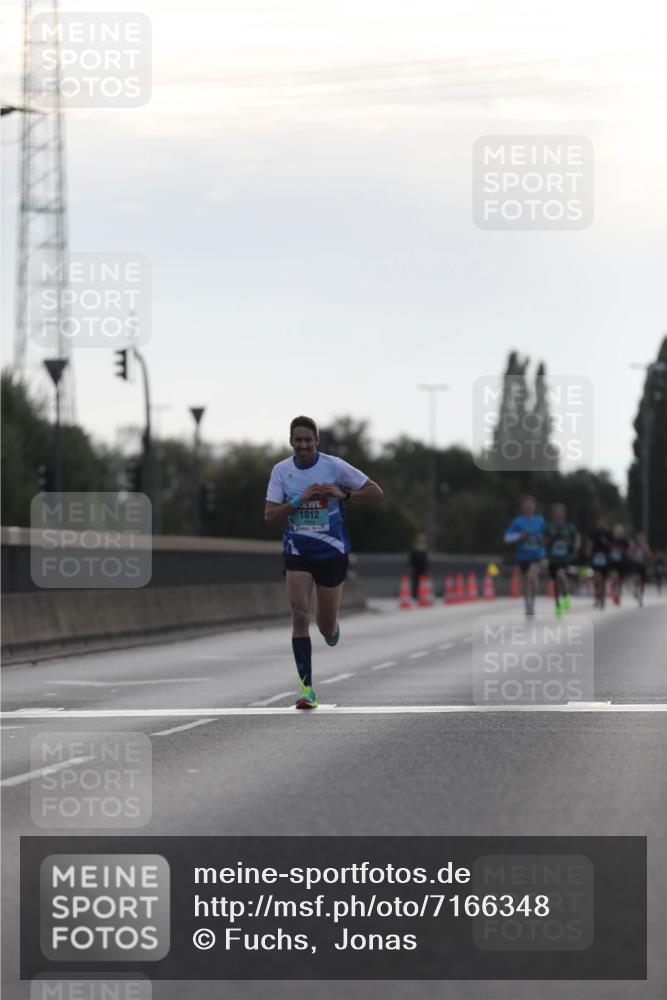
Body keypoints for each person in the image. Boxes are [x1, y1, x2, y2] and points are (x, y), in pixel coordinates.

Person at [264, 416, 383, 709]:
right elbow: (270, 515)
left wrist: (344, 494)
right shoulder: (281, 471)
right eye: (298, 440)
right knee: (299, 615)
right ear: (290, 442)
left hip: (331, 552)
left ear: (317, 441)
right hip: (298, 551)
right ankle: (308, 690)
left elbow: (375, 491)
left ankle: (332, 628)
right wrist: (298, 501)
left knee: (325, 627)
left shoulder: (334, 466)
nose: (303, 445)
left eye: (308, 440)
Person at [504, 495, 545, 616]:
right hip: (523, 557)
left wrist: (541, 538)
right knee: (526, 581)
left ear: (534, 507)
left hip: (536, 555)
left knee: (532, 577)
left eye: (531, 505)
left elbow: (547, 536)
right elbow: (507, 538)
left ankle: (532, 601)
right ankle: (528, 604)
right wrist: (520, 535)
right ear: (523, 507)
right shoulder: (518, 521)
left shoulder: (540, 521)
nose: (529, 508)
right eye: (526, 506)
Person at [544, 503, 580, 617]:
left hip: (564, 558)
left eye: (561, 513)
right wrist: (551, 537)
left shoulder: (569, 527)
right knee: (555, 582)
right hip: (552, 559)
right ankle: (557, 603)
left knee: (561, 574)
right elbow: (543, 542)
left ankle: (565, 597)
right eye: (556, 513)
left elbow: (577, 536)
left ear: (564, 514)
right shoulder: (548, 527)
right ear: (553, 514)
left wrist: (576, 546)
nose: (559, 515)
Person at [588, 518, 612, 609]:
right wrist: (589, 552)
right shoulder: (594, 533)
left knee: (603, 578)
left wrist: (606, 542)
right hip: (596, 556)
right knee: (597, 577)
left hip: (605, 557)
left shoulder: (608, 533)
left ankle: (602, 597)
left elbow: (612, 545)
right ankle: (597, 595)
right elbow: (590, 543)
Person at [608, 524, 630, 606]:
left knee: (620, 580)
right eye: (617, 531)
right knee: (614, 578)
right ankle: (614, 594)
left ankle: (618, 596)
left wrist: (623, 551)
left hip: (622, 563)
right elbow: (608, 549)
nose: (618, 533)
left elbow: (628, 550)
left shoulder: (625, 541)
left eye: (620, 532)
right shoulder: (611, 540)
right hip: (613, 562)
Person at [629, 532, 651, 607]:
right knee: (637, 578)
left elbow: (649, 556)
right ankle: (635, 590)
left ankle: (641, 596)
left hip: (643, 564)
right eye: (638, 539)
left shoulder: (645, 546)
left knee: (642, 582)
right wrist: (633, 550)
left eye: (641, 539)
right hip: (636, 564)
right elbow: (629, 554)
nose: (640, 541)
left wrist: (645, 550)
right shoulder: (634, 546)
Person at [409, 533, 429, 600]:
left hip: (423, 567)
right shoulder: (415, 546)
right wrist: (412, 565)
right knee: (416, 581)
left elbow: (425, 558)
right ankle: (415, 594)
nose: (422, 539)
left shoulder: (424, 546)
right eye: (420, 538)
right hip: (416, 566)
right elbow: (412, 556)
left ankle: (423, 593)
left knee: (423, 581)